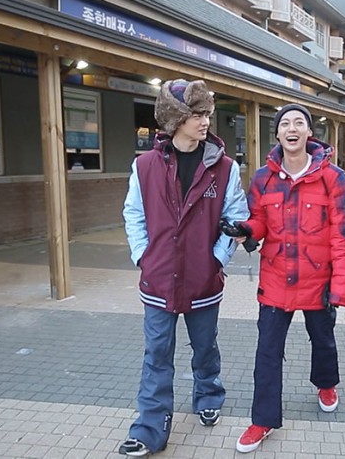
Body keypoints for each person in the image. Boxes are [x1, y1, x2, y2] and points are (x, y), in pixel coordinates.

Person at [120, 79, 249, 457]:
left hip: (203, 279)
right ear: (174, 119)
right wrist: (143, 255)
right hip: (157, 279)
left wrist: (217, 258)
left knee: (204, 346)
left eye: (207, 113)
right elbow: (133, 214)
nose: (205, 121)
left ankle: (208, 393)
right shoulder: (144, 166)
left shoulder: (225, 168)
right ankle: (149, 429)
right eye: (196, 114)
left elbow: (236, 217)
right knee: (157, 353)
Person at [222, 103, 345, 454]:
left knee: (323, 341)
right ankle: (263, 420)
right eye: (285, 123)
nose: (292, 128)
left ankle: (326, 384)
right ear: (278, 133)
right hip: (276, 280)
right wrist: (245, 229)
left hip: (319, 281)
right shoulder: (263, 178)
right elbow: (259, 221)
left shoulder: (333, 178)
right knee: (267, 352)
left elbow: (344, 236)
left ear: (309, 133)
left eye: (299, 122)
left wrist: (341, 287)